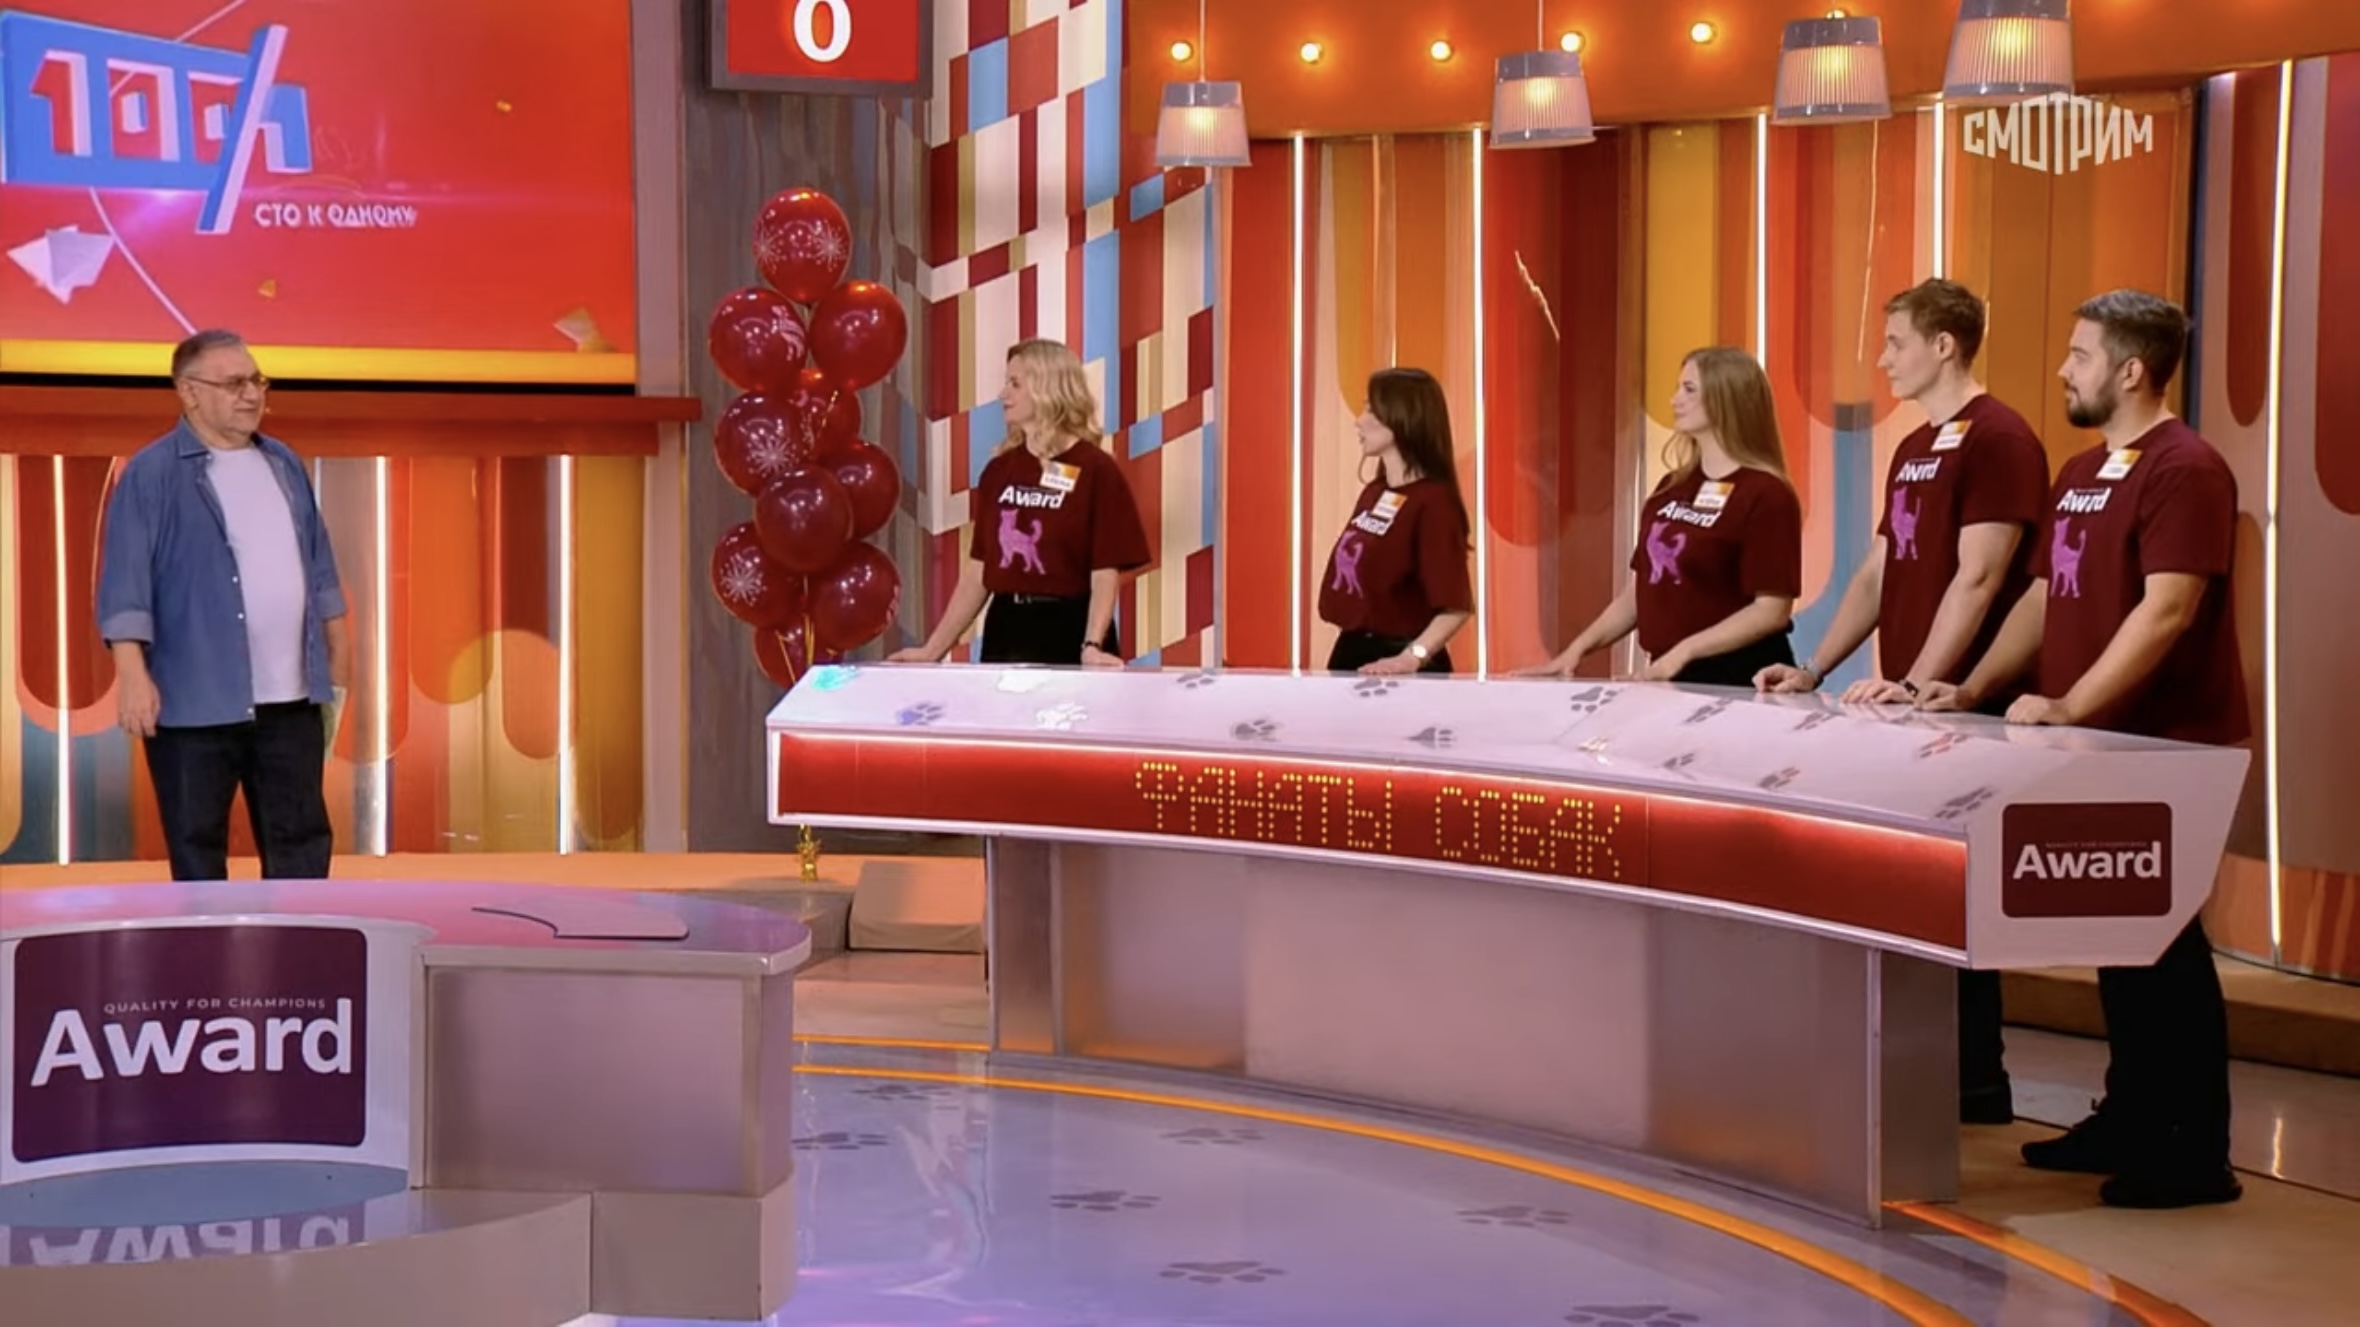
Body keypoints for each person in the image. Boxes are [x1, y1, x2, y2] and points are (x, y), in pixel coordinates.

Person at [1920, 290, 2245, 1209]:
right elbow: (2042, 597)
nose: (2063, 369)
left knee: (2164, 942)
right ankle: (2132, 1116)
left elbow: (2168, 609)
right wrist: (1973, 688)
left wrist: (2070, 702)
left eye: (2080, 355)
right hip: (2098, 742)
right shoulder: (2081, 468)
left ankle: (2193, 1150)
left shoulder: (2187, 468)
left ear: (2131, 370)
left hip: (2169, 745)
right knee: (2119, 939)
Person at [1755, 279, 2052, 1125]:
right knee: (1918, 892)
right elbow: (1882, 568)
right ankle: (1929, 1073)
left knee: (1962, 896)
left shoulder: (1999, 439)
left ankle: (1976, 1081)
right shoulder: (1916, 444)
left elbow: (1981, 575)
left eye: (1895, 341)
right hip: (1917, 708)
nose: (1882, 359)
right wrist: (1815, 665)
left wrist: (1921, 682)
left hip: (1968, 705)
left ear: (1944, 345)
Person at [97, 329, 351, 881]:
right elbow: (125, 582)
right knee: (196, 850)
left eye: (257, 381)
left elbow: (319, 564)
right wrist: (132, 677)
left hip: (291, 701)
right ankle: (205, 939)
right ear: (188, 392)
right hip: (194, 701)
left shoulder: (283, 462)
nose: (252, 395)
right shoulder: (152, 473)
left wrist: (337, 658)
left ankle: (300, 937)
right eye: (234, 383)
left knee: (302, 843)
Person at [1520, 347, 1800, 684]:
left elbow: (1771, 610)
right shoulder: (1671, 487)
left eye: (1689, 389)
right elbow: (1639, 591)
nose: (1674, 399)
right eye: (1678, 387)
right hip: (1671, 675)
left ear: (1726, 399)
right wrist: (1576, 651)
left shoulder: (1767, 494)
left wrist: (1685, 651)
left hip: (1741, 679)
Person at [890, 340, 1150, 666]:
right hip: (1007, 629)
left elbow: (1104, 571)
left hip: (1070, 626)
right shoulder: (1000, 471)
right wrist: (932, 652)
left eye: (1015, 384)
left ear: (1048, 388)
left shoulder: (1095, 469)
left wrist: (1092, 644)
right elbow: (979, 571)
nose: (1003, 394)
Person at [1316, 368, 1474, 675]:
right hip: (1352, 650)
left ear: (1402, 418)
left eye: (1371, 410)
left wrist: (1411, 657)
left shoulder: (1434, 503)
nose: (1359, 420)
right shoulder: (1375, 492)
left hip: (1400, 663)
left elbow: (1455, 606)